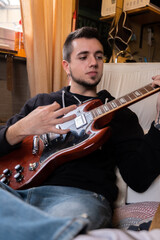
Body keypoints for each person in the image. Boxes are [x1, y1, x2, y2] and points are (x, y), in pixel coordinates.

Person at [0, 26, 160, 240]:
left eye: (99, 56)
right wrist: (21, 129)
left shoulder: (121, 114)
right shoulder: (43, 103)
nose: (93, 63)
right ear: (67, 66)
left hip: (76, 197)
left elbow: (139, 177)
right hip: (15, 192)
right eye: (83, 57)